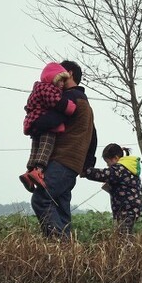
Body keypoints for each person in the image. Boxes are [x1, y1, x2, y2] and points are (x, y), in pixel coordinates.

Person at [32, 60, 96, 240]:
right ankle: (66, 259)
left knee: (41, 199)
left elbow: (48, 121)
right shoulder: (85, 102)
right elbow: (93, 134)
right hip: (73, 164)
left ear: (69, 73)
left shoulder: (68, 99)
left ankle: (60, 245)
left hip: (62, 159)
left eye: (59, 75)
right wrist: (87, 162)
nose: (55, 80)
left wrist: (33, 122)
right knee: (61, 207)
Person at [18, 62, 77, 191]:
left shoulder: (38, 88)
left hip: (33, 123)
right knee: (46, 146)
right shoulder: (48, 89)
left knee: (36, 149)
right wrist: (71, 107)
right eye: (60, 80)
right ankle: (38, 171)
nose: (62, 84)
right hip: (44, 124)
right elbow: (57, 102)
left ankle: (29, 172)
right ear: (53, 78)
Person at [82, 143, 142, 235]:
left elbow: (103, 174)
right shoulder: (129, 168)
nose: (108, 166)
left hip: (126, 212)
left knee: (124, 238)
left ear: (115, 158)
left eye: (108, 162)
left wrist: (87, 171)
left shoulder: (119, 169)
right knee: (125, 236)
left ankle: (126, 249)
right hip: (132, 210)